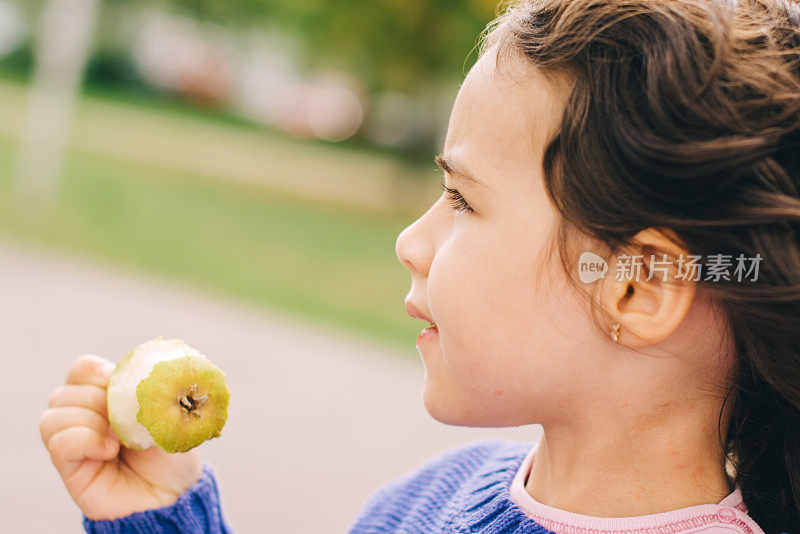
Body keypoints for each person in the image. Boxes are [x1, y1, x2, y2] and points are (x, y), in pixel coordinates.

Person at [40, 0, 800, 532]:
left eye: (462, 201)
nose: (411, 240)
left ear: (636, 287)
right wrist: (164, 519)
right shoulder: (428, 499)